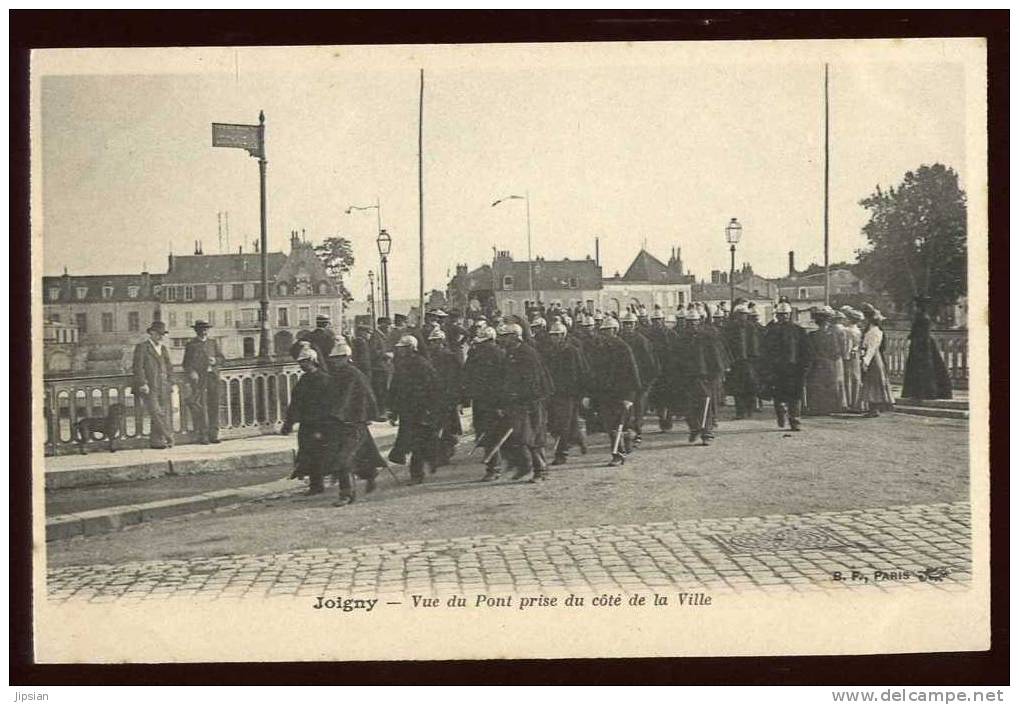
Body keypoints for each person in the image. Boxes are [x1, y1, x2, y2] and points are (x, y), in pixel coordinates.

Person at [322, 340, 384, 505]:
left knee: (344, 458)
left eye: (338, 358)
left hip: (354, 422)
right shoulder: (337, 375)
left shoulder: (353, 374)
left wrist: (342, 414)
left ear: (346, 357)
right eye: (334, 359)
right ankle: (370, 474)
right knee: (360, 453)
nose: (335, 361)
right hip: (342, 422)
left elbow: (350, 398)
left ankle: (346, 494)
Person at [494, 323, 554, 481]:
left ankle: (541, 470)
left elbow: (533, 381)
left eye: (505, 337)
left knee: (533, 436)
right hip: (518, 402)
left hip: (531, 402)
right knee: (521, 436)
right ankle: (526, 467)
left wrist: (525, 398)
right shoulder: (510, 353)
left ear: (514, 337)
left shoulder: (527, 354)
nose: (502, 340)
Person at [281, 347, 341, 497]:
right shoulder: (304, 380)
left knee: (320, 454)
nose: (302, 365)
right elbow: (295, 403)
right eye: (300, 362)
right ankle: (316, 484)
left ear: (313, 361)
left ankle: (324, 483)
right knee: (308, 453)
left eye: (305, 362)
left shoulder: (325, 379)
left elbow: (332, 404)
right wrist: (288, 423)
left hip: (321, 424)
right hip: (308, 424)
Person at [585, 315, 641, 466]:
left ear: (615, 330)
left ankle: (618, 453)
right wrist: (590, 394)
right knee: (610, 425)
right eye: (603, 331)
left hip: (621, 393)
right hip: (605, 392)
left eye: (608, 330)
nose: (605, 334)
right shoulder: (598, 348)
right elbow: (594, 372)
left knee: (620, 423)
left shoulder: (623, 348)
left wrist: (629, 396)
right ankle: (621, 447)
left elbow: (631, 372)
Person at [388, 335, 441, 483]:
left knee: (418, 443)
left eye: (404, 348)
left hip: (421, 410)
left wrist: (430, 409)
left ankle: (417, 474)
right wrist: (392, 410)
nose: (401, 351)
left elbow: (434, 388)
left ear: (412, 348)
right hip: (407, 410)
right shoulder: (401, 365)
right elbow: (395, 388)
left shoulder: (422, 364)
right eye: (400, 349)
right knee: (415, 442)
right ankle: (428, 463)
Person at [673, 307, 728, 445]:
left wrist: (716, 374)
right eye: (689, 322)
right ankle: (694, 428)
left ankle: (707, 432)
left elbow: (716, 357)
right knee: (688, 405)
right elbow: (675, 358)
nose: (692, 325)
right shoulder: (681, 339)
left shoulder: (708, 337)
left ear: (700, 322)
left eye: (695, 322)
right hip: (687, 377)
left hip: (706, 376)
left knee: (706, 404)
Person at [462, 325, 507, 481]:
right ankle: (495, 465)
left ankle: (494, 468)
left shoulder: (499, 355)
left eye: (484, 342)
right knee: (485, 433)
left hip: (493, 401)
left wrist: (502, 403)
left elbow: (505, 381)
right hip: (480, 400)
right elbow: (467, 375)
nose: (481, 345)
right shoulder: (475, 355)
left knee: (493, 434)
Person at [762, 301, 812, 431]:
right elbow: (765, 351)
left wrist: (805, 366)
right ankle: (782, 413)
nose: (783, 317)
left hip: (794, 369)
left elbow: (806, 350)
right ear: (777, 315)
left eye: (785, 315)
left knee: (795, 395)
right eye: (781, 315)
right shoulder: (770, 331)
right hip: (777, 369)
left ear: (789, 315)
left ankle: (794, 420)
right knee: (779, 395)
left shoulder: (798, 330)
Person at [542, 321, 586, 466]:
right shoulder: (548, 352)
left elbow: (581, 372)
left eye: (557, 335)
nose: (555, 338)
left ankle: (562, 453)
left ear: (563, 335)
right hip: (553, 393)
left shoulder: (572, 351)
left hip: (568, 393)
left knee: (563, 424)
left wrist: (581, 393)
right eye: (553, 335)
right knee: (559, 423)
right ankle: (578, 438)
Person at [132, 320, 175, 449]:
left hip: (163, 386)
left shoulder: (163, 349)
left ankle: (156, 441)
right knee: (156, 412)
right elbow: (137, 367)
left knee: (162, 412)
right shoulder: (142, 347)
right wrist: (142, 383)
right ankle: (169, 436)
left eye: (163, 334)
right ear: (151, 333)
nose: (161, 337)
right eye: (158, 334)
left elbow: (169, 367)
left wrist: (170, 382)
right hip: (149, 387)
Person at [619, 311, 660, 445]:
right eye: (626, 324)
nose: (628, 326)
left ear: (635, 324)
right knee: (625, 409)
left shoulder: (642, 341)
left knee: (638, 408)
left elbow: (651, 363)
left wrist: (648, 382)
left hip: (641, 380)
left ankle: (637, 432)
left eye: (630, 324)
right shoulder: (620, 340)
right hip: (625, 381)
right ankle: (626, 433)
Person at [424, 328, 463, 466]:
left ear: (441, 341)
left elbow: (455, 378)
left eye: (435, 341)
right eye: (431, 342)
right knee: (439, 426)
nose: (432, 344)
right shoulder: (431, 357)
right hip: (435, 397)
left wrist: (457, 398)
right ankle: (445, 450)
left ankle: (446, 451)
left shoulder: (449, 357)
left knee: (445, 425)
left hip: (447, 397)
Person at [901, 297, 953, 400]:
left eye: (916, 306)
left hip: (923, 345)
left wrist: (916, 343)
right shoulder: (920, 317)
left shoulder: (923, 318)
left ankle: (924, 393)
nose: (914, 308)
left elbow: (922, 334)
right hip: (920, 343)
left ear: (919, 307)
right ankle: (918, 393)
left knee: (924, 368)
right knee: (919, 369)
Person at [804, 306, 847, 415]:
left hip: (818, 363)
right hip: (830, 362)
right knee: (829, 384)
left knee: (817, 384)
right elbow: (839, 351)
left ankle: (817, 407)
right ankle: (829, 407)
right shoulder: (835, 335)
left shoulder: (812, 335)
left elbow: (809, 351)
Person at [723, 303, 761, 419]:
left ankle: (749, 409)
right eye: (739, 314)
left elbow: (755, 345)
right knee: (737, 388)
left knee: (750, 386)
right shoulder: (730, 327)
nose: (741, 317)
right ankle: (740, 412)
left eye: (743, 314)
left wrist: (755, 359)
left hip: (749, 361)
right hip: (736, 362)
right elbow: (726, 345)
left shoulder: (751, 327)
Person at [645, 306, 679, 430]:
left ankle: (669, 417)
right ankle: (661, 418)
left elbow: (677, 352)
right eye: (654, 320)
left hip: (669, 370)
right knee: (657, 397)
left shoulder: (671, 334)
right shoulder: (647, 335)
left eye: (659, 319)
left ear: (663, 320)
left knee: (670, 396)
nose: (657, 322)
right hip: (655, 371)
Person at [859, 304, 895, 416]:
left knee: (874, 382)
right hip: (871, 357)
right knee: (871, 382)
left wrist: (866, 361)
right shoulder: (870, 330)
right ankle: (872, 408)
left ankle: (874, 409)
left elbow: (872, 348)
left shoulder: (875, 331)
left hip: (873, 357)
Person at [840, 306, 864, 412]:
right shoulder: (858, 330)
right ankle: (857, 402)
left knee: (848, 378)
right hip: (856, 355)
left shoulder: (847, 331)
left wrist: (845, 357)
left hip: (849, 357)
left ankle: (850, 402)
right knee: (856, 378)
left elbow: (847, 346)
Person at [370, 317, 395, 419]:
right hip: (378, 368)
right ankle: (380, 413)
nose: (389, 328)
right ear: (382, 325)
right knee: (380, 391)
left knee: (384, 390)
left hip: (384, 367)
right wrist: (385, 354)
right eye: (388, 325)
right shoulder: (375, 336)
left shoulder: (383, 336)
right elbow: (373, 352)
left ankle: (383, 411)